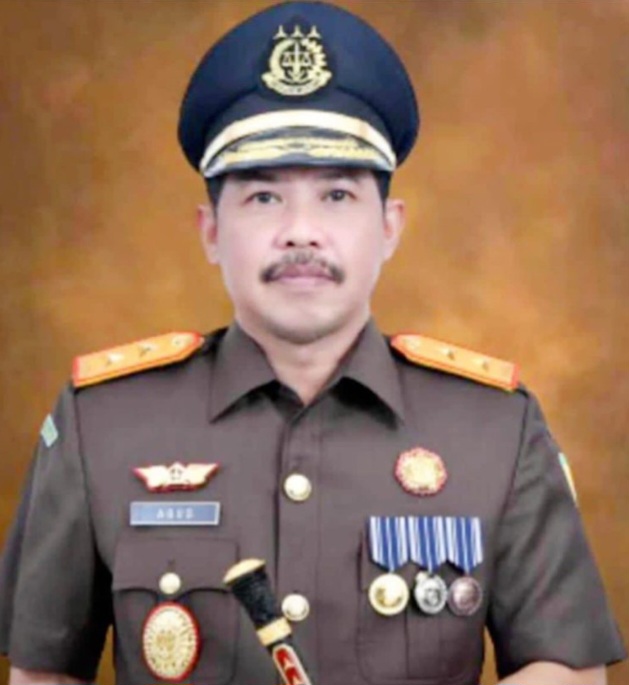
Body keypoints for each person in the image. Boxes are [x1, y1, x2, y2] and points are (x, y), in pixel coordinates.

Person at [0, 2, 625, 685]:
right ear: (211, 232)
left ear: (389, 227)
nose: (301, 231)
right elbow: (44, 674)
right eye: (264, 198)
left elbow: (567, 670)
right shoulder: (102, 423)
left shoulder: (493, 429)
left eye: (336, 196)